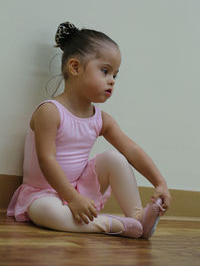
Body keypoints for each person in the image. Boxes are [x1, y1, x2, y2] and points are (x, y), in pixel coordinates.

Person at [7, 22, 171, 239]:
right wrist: (72, 199)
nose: (112, 80)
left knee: (115, 158)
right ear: (75, 67)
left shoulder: (101, 119)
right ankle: (112, 224)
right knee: (47, 213)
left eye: (115, 75)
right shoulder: (50, 111)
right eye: (105, 71)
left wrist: (160, 182)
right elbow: (47, 160)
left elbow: (131, 151)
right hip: (42, 194)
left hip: (78, 190)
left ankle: (137, 216)